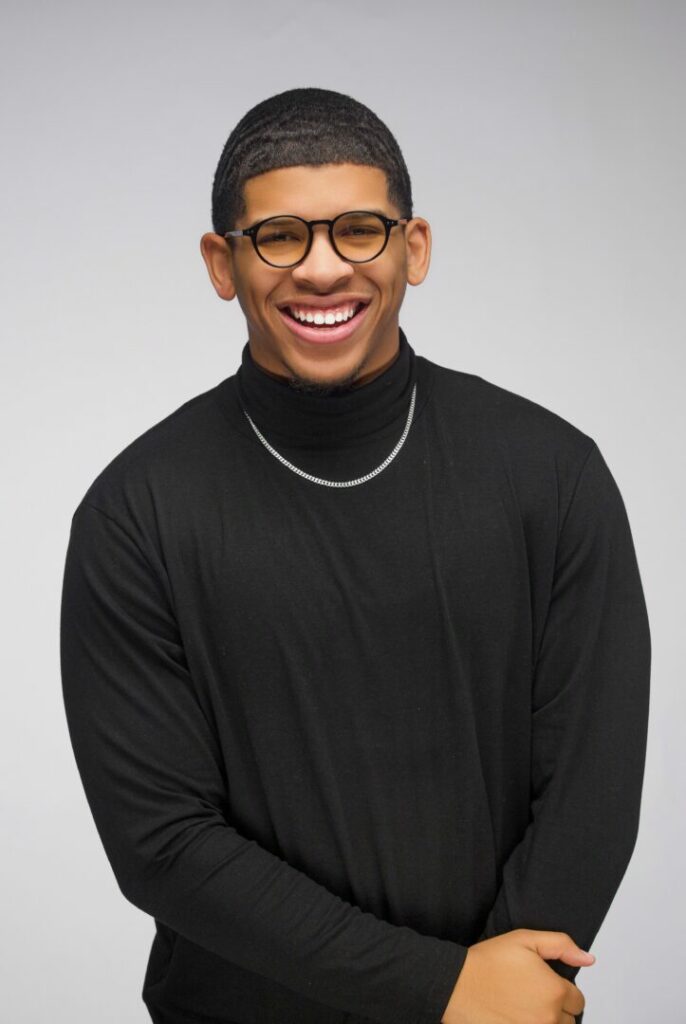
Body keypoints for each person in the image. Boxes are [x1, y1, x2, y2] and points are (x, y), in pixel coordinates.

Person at [59, 86, 651, 1024]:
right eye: (280, 237)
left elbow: (592, 784)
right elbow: (162, 843)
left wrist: (498, 999)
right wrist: (440, 991)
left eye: (359, 231)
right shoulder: (135, 513)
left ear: (414, 248)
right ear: (222, 263)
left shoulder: (552, 475)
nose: (323, 269)